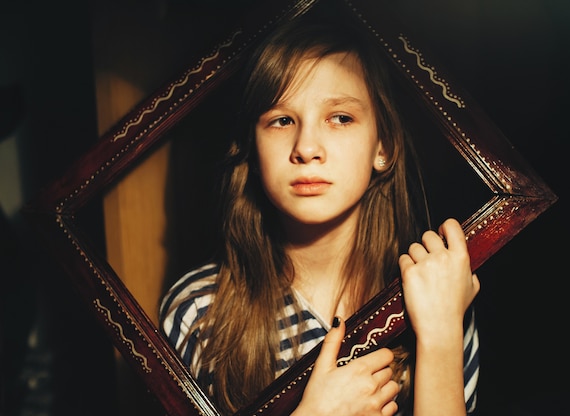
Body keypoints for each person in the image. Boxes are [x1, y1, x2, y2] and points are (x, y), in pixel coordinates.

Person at [160, 11, 480, 416]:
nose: (306, 147)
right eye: (281, 120)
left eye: (340, 118)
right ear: (254, 153)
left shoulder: (435, 296)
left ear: (382, 147)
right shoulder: (200, 312)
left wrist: (440, 336)